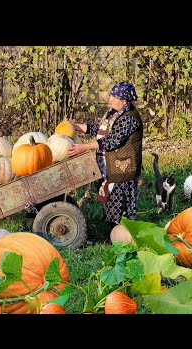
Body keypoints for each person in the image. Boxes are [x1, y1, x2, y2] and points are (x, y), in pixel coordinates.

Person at [68, 81, 143, 238]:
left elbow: (111, 141)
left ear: (124, 100)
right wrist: (79, 127)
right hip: (108, 165)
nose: (109, 99)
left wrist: (83, 147)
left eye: (113, 96)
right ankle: (112, 230)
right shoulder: (113, 113)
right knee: (109, 198)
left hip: (122, 167)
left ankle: (123, 235)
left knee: (118, 199)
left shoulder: (129, 118)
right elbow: (101, 129)